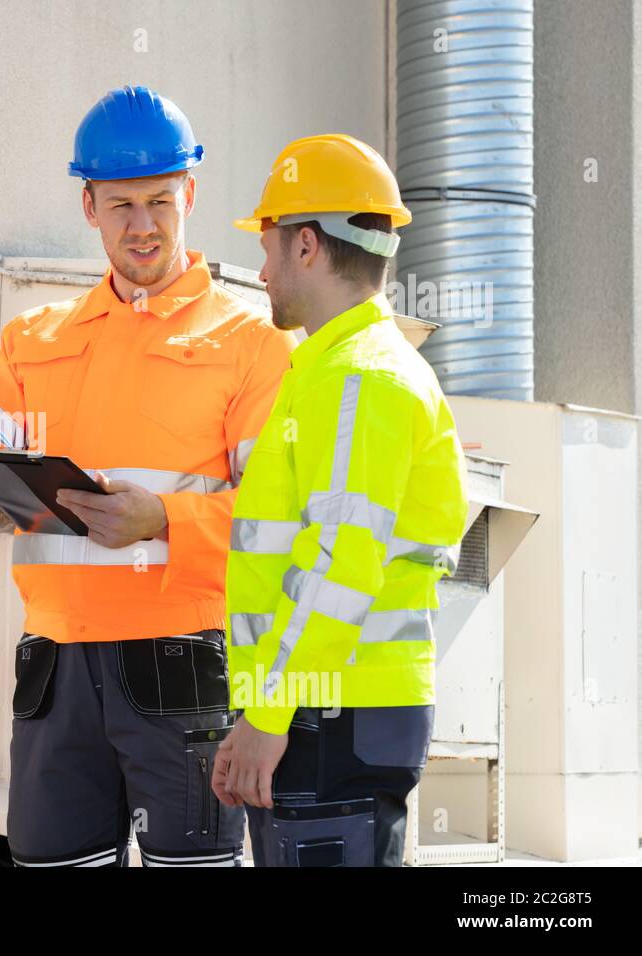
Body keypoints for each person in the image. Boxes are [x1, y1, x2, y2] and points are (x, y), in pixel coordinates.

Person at [0, 86, 292, 866]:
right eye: (121, 205)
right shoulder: (34, 340)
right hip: (55, 672)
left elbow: (277, 521)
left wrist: (164, 520)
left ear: (189, 194)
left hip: (180, 661)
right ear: (88, 206)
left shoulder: (250, 343)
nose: (144, 225)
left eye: (161, 200)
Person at [211, 133, 469, 867]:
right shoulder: (336, 369)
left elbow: (339, 567)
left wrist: (268, 714)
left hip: (330, 714)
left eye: (267, 247)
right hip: (324, 712)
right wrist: (258, 715)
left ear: (306, 248)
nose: (260, 271)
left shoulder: (358, 379)